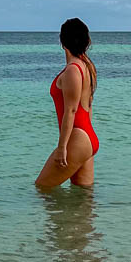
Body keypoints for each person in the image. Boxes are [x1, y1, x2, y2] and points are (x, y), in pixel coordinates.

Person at [35, 18, 99, 190]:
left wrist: (62, 147)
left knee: (42, 188)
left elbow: (70, 110)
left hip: (77, 139)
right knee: (83, 198)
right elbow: (89, 104)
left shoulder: (73, 70)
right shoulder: (88, 66)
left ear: (62, 41)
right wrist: (88, 142)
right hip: (87, 137)